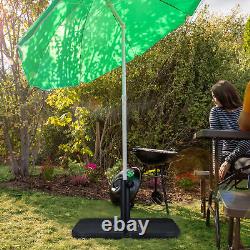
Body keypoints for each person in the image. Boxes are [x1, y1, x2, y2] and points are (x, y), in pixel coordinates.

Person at [209, 80, 250, 180]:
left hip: (245, 154)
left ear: (224, 96)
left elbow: (247, 140)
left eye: (215, 96)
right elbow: (216, 141)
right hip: (227, 154)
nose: (213, 100)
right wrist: (216, 165)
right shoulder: (215, 112)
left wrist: (229, 160)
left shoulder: (244, 112)